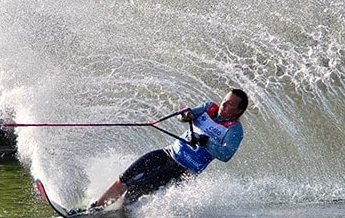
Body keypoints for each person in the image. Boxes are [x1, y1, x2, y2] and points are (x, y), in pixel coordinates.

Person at [89, 88, 249, 210]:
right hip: (168, 153)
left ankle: (122, 216)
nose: (224, 105)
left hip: (183, 169)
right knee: (125, 177)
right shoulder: (209, 107)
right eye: (225, 100)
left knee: (136, 189)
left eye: (230, 104)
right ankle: (95, 208)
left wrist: (205, 141)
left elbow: (226, 155)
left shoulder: (234, 129)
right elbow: (185, 116)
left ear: (238, 111)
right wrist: (185, 115)